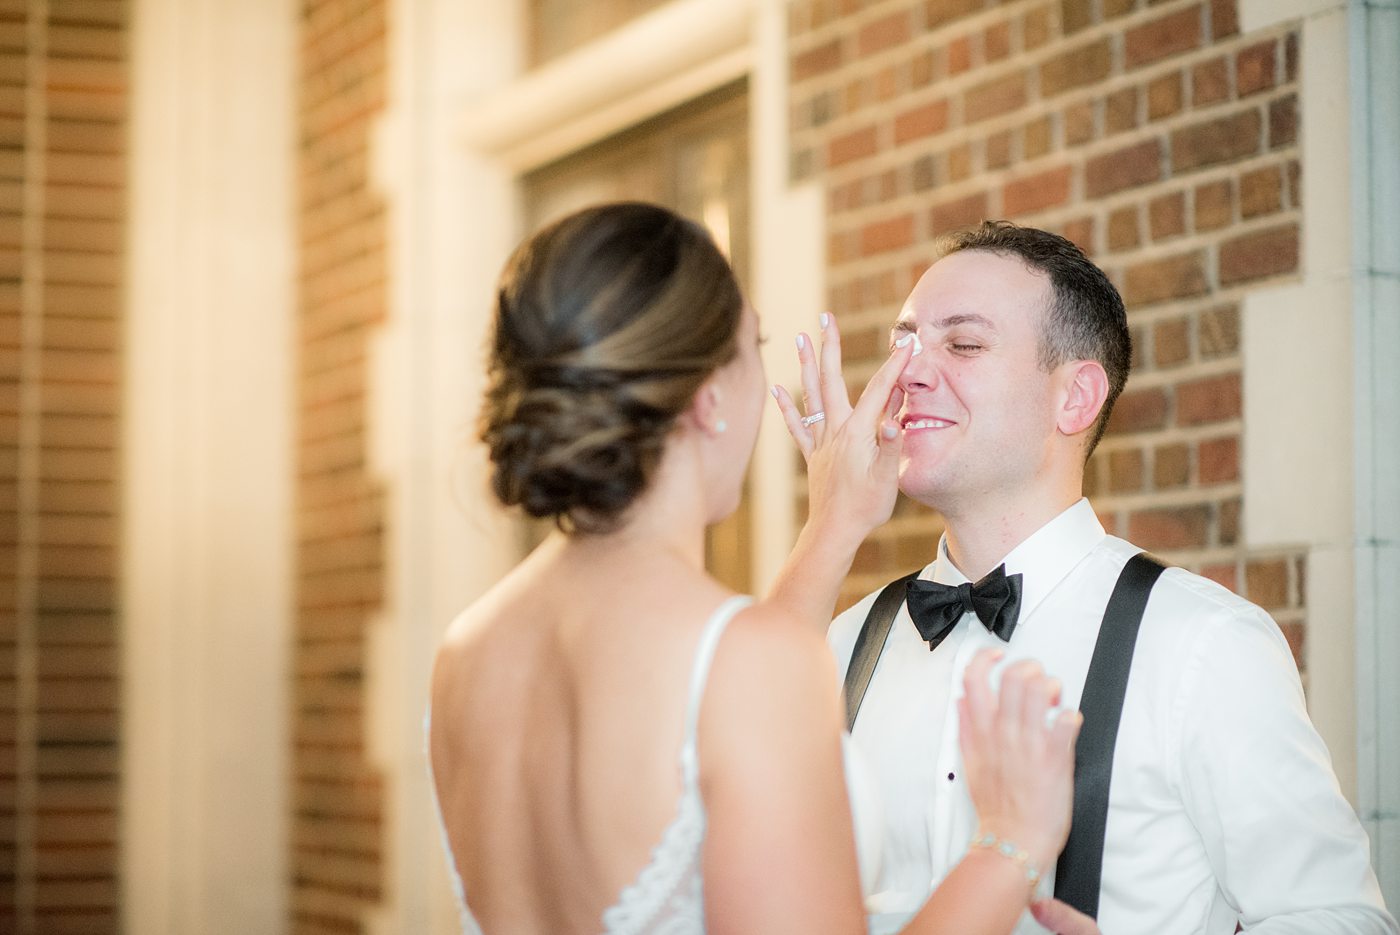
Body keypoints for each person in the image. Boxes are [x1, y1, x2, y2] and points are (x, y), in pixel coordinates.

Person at [427, 202, 1096, 935]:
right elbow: (741, 677)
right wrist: (1011, 843)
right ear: (711, 398)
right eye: (756, 347)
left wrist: (834, 523)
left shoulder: (469, 650)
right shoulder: (747, 662)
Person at [773, 220, 1399, 935]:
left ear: (1075, 398)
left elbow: (1344, 918)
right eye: (904, 341)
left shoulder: (1203, 643)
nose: (909, 371)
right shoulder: (844, 640)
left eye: (964, 343)